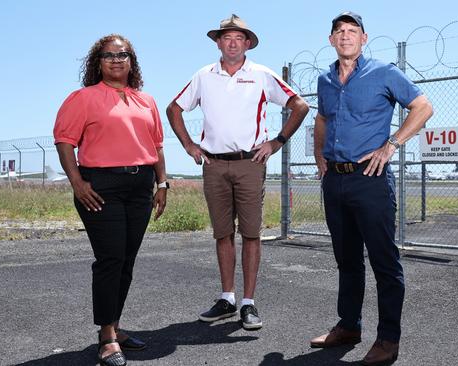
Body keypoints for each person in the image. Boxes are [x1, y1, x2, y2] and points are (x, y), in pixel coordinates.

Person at [167, 14, 309, 330]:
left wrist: (277, 141)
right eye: (226, 37)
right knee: (222, 233)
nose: (232, 42)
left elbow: (299, 105)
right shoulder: (204, 75)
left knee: (251, 233)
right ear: (218, 42)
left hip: (250, 163)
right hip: (214, 164)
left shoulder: (261, 74)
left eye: (238, 38)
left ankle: (248, 303)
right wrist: (190, 145)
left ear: (247, 43)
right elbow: (174, 108)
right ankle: (227, 298)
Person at [310, 12, 433, 366]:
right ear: (331, 40)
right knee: (347, 260)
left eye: (352, 31)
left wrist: (391, 144)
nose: (345, 36)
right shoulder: (325, 80)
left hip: (370, 178)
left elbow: (423, 107)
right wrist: (320, 155)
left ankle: (387, 340)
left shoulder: (384, 72)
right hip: (335, 180)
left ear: (364, 39)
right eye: (339, 32)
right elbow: (321, 118)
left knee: (383, 262)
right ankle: (348, 326)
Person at [53, 34, 167, 366]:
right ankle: (106, 338)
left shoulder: (146, 101)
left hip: (140, 186)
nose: (116, 60)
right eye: (108, 55)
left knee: (127, 259)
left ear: (132, 61)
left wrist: (162, 184)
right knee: (110, 258)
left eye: (123, 55)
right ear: (97, 62)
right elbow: (64, 141)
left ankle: (115, 327)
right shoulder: (83, 98)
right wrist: (77, 182)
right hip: (100, 186)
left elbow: (157, 145)